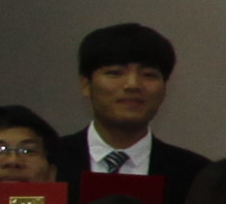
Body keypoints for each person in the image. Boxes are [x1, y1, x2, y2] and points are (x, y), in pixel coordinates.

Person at [58, 22, 206, 195]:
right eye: (115, 73)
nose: (133, 85)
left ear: (165, 88)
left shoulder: (198, 176)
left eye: (149, 75)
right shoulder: (49, 161)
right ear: (85, 85)